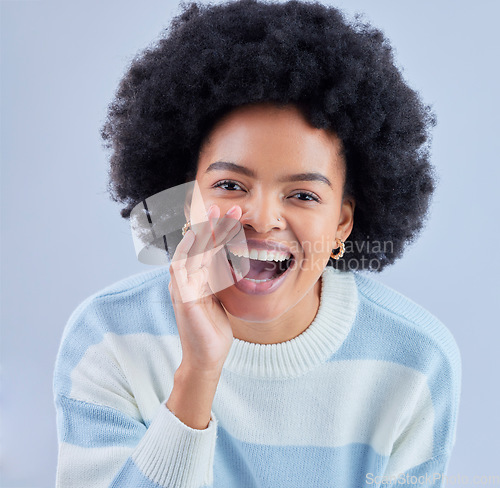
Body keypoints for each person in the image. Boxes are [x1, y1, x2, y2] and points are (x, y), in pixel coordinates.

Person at [53, 0, 461, 486]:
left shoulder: (415, 360)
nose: (263, 218)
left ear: (342, 226)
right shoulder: (108, 339)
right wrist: (198, 373)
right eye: (230, 185)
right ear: (187, 201)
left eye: (304, 194)